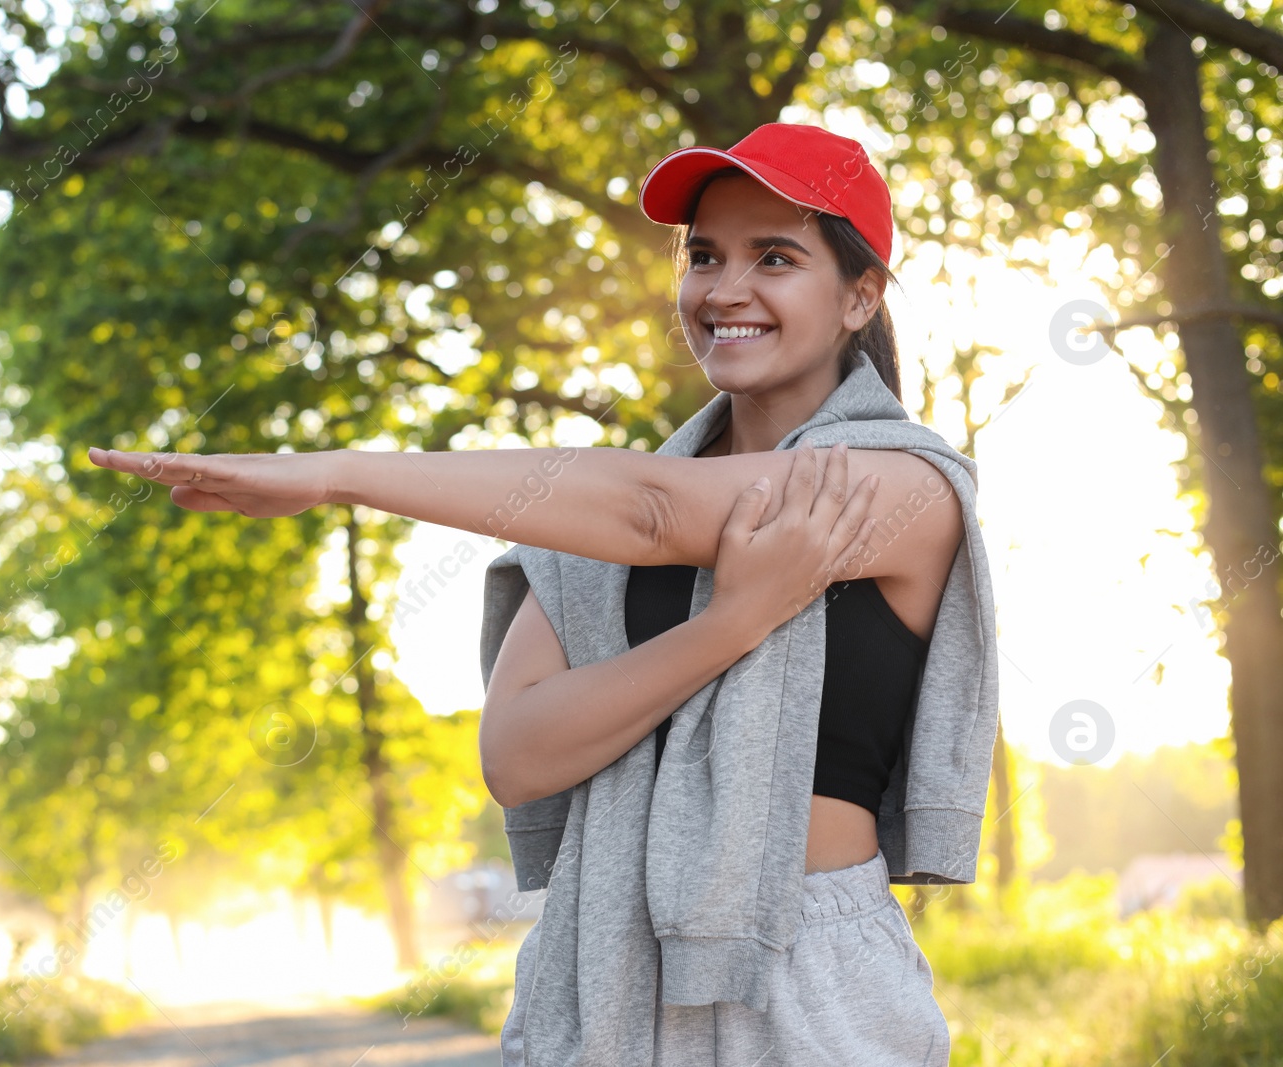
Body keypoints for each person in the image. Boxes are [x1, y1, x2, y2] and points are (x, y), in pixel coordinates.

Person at [88, 122, 966, 1064]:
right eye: (703, 255)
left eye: (776, 257)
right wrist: (729, 625)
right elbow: (516, 754)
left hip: (814, 977)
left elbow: (656, 515)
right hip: (609, 972)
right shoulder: (590, 525)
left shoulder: (902, 485)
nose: (725, 289)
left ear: (858, 295)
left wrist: (337, 473)